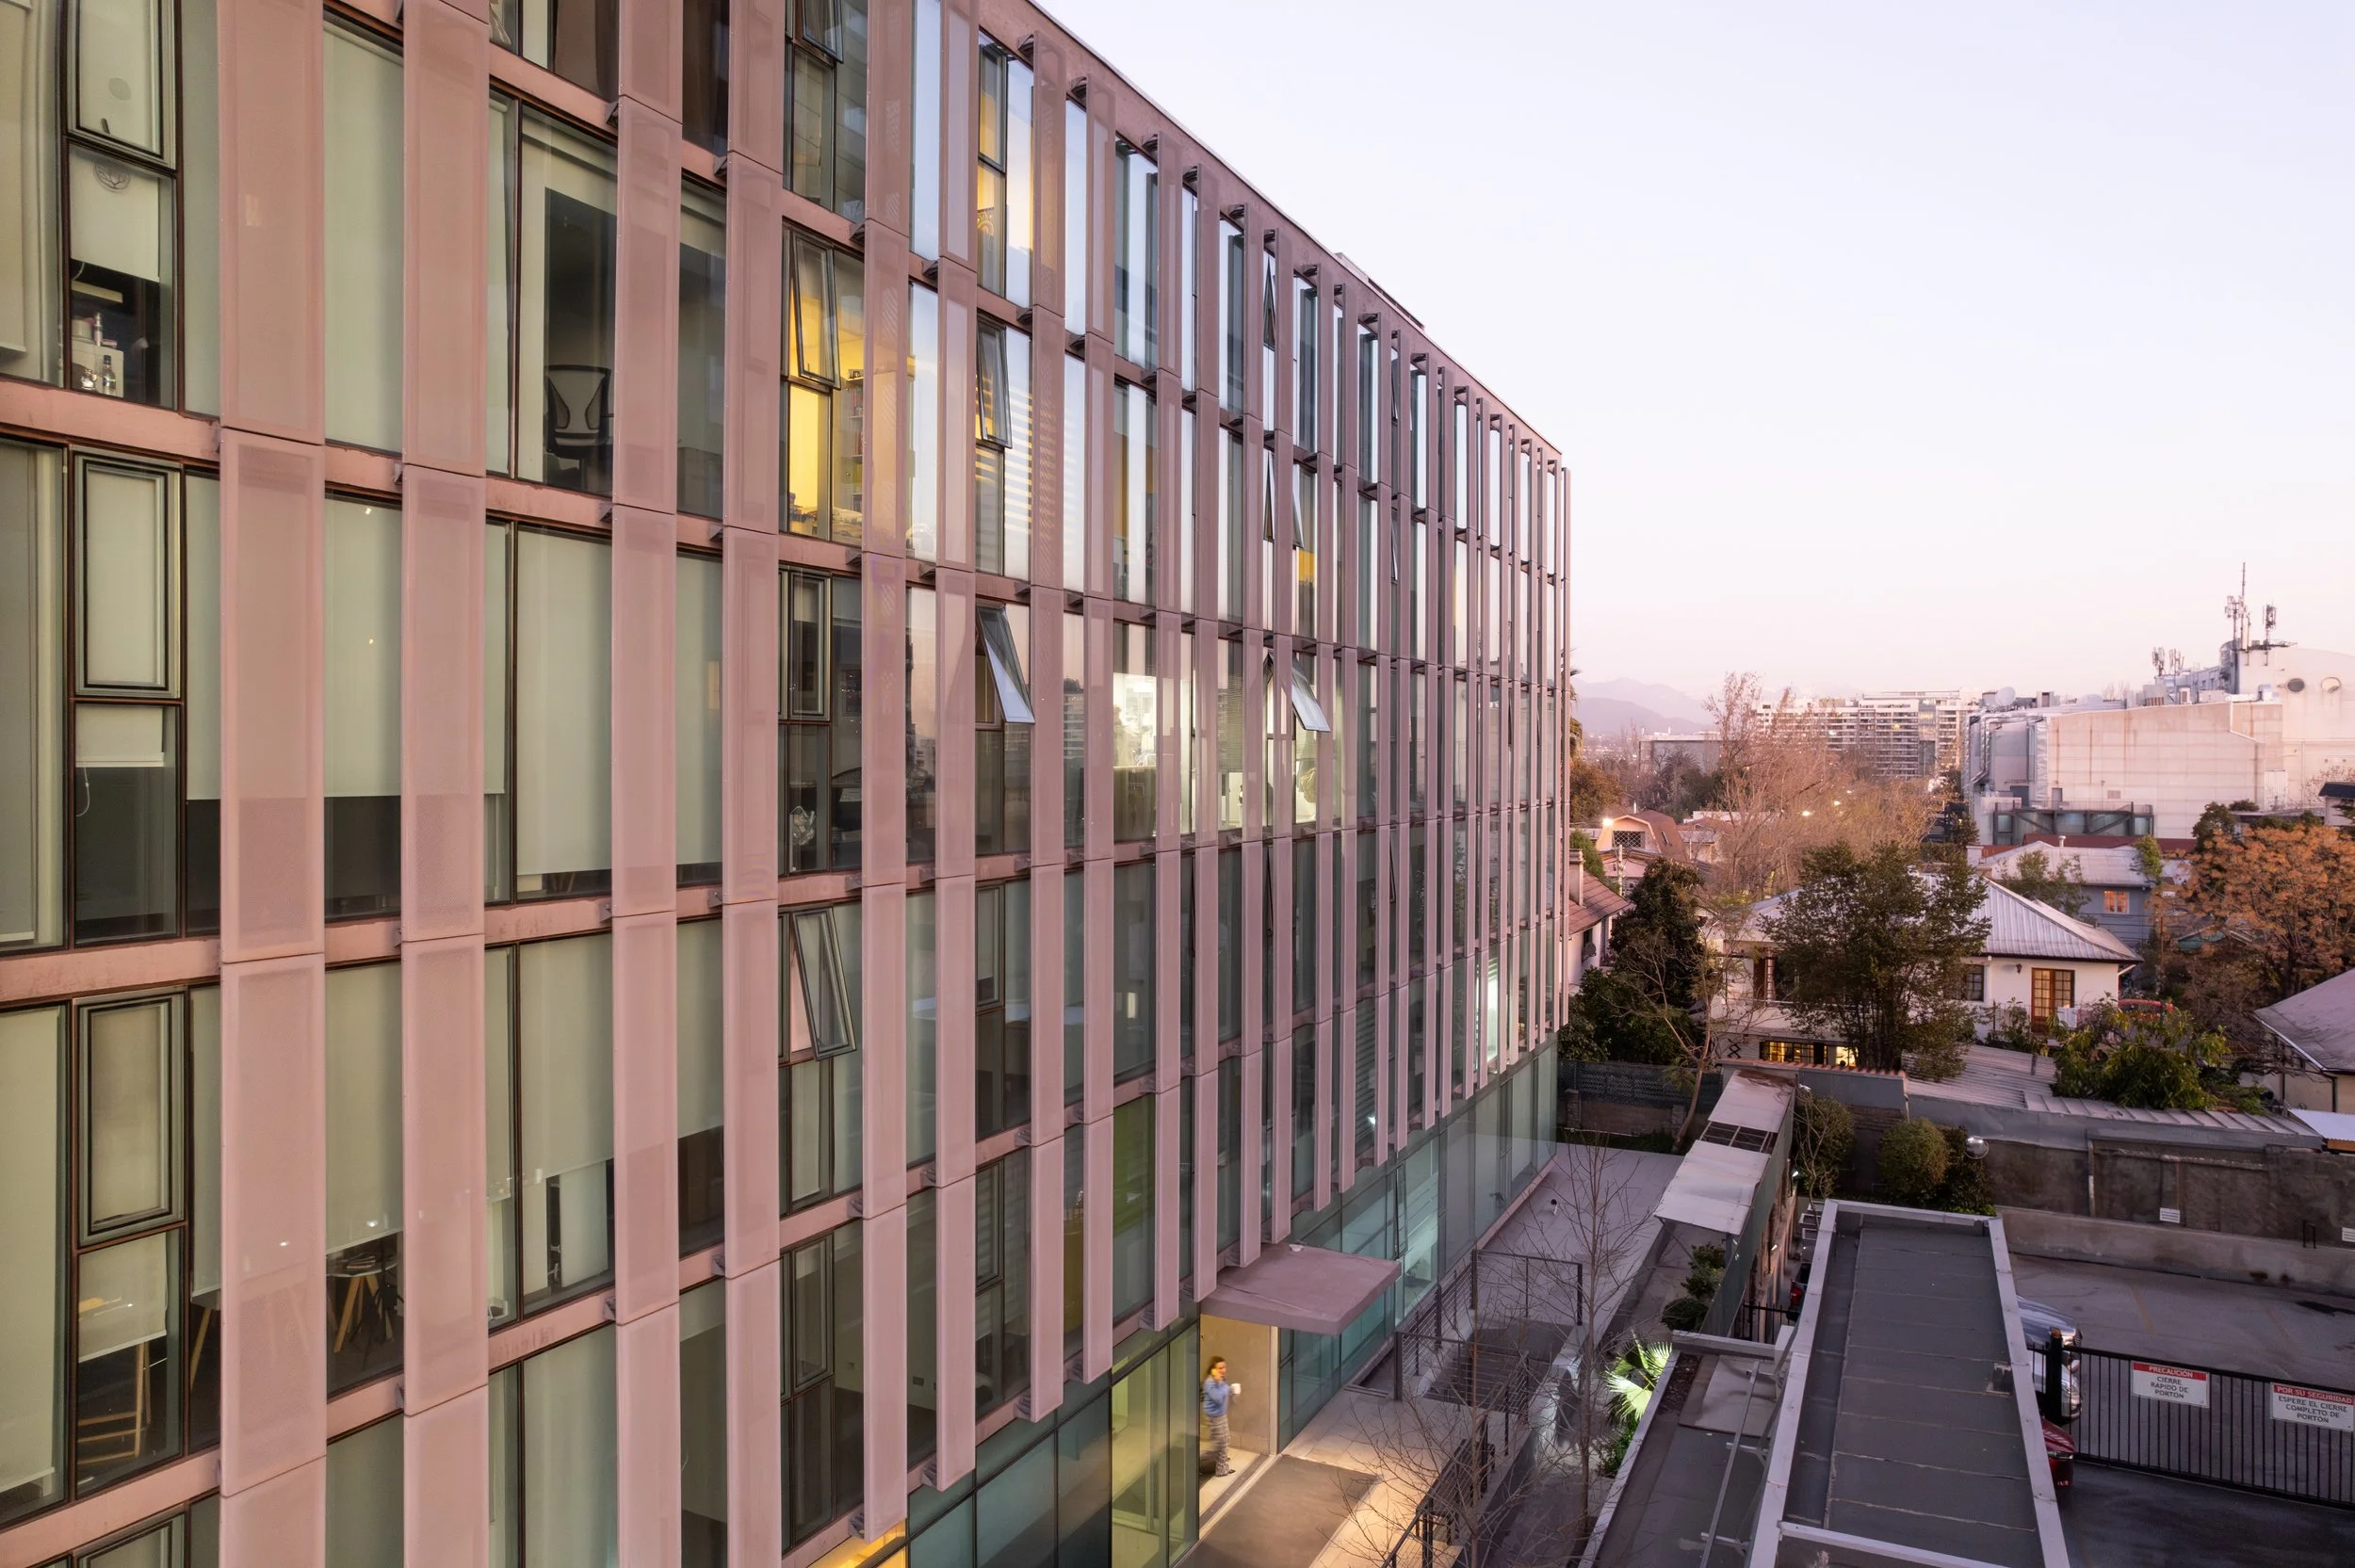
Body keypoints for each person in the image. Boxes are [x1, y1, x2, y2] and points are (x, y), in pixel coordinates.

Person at [1201, 1358, 1241, 1478]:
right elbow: (1218, 1398)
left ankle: (1221, 1467)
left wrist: (1231, 1390)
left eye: (1224, 1367)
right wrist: (1222, 1386)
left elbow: (1225, 1392)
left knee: (1225, 1441)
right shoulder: (1210, 1383)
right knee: (1219, 1444)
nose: (1223, 1370)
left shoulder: (1220, 1380)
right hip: (1214, 1417)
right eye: (1220, 1368)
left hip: (1221, 1415)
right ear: (1213, 1370)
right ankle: (1199, 1461)